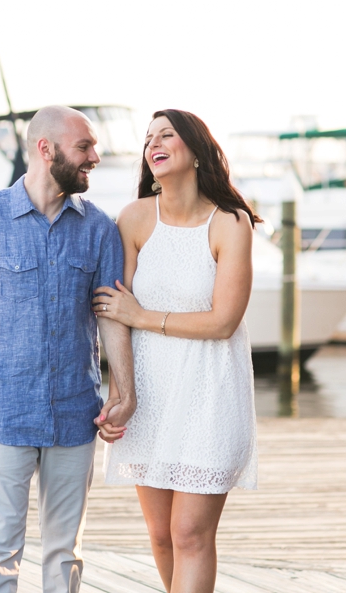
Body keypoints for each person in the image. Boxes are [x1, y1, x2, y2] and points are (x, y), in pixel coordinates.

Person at [0, 105, 136, 593]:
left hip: (77, 415)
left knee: (65, 556)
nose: (95, 157)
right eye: (84, 147)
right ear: (45, 149)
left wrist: (126, 390)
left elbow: (112, 317)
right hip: (3, 413)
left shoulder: (99, 228)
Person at [92, 109, 259, 593]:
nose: (154, 143)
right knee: (162, 536)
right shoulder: (135, 217)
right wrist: (121, 391)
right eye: (148, 138)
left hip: (210, 392)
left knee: (190, 533)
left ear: (196, 150)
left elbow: (223, 321)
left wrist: (142, 316)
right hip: (150, 392)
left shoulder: (231, 222)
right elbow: (111, 312)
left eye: (167, 134)